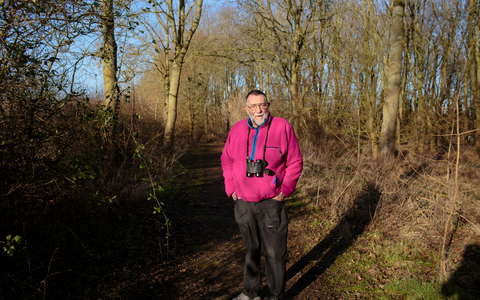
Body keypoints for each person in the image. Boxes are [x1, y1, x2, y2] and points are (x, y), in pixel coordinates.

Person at [221, 90, 303, 300]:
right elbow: (227, 160)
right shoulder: (237, 129)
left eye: (262, 105)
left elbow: (295, 162)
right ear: (246, 108)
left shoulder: (282, 127)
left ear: (268, 105)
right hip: (243, 203)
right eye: (253, 106)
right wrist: (231, 189)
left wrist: (284, 192)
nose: (258, 110)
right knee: (251, 250)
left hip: (271, 202)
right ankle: (251, 292)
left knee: (275, 253)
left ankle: (276, 294)